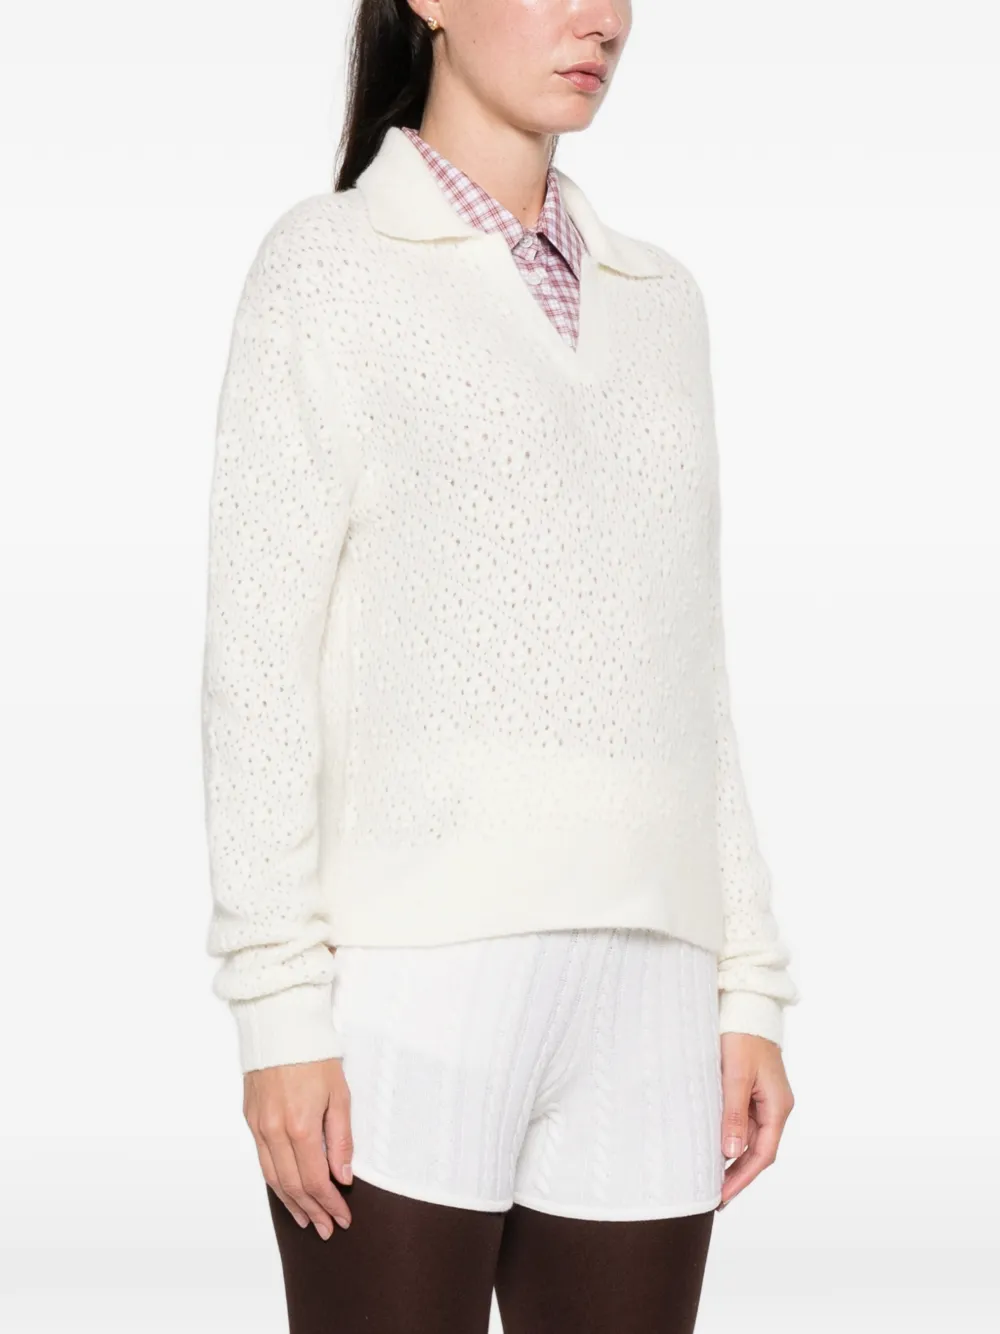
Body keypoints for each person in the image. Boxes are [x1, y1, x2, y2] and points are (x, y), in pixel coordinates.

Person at [200, 2, 801, 1330]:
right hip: (416, 978)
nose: (603, 19)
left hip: (651, 988)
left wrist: (747, 979)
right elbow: (257, 664)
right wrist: (277, 1005)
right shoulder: (329, 266)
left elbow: (690, 670)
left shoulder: (661, 302)